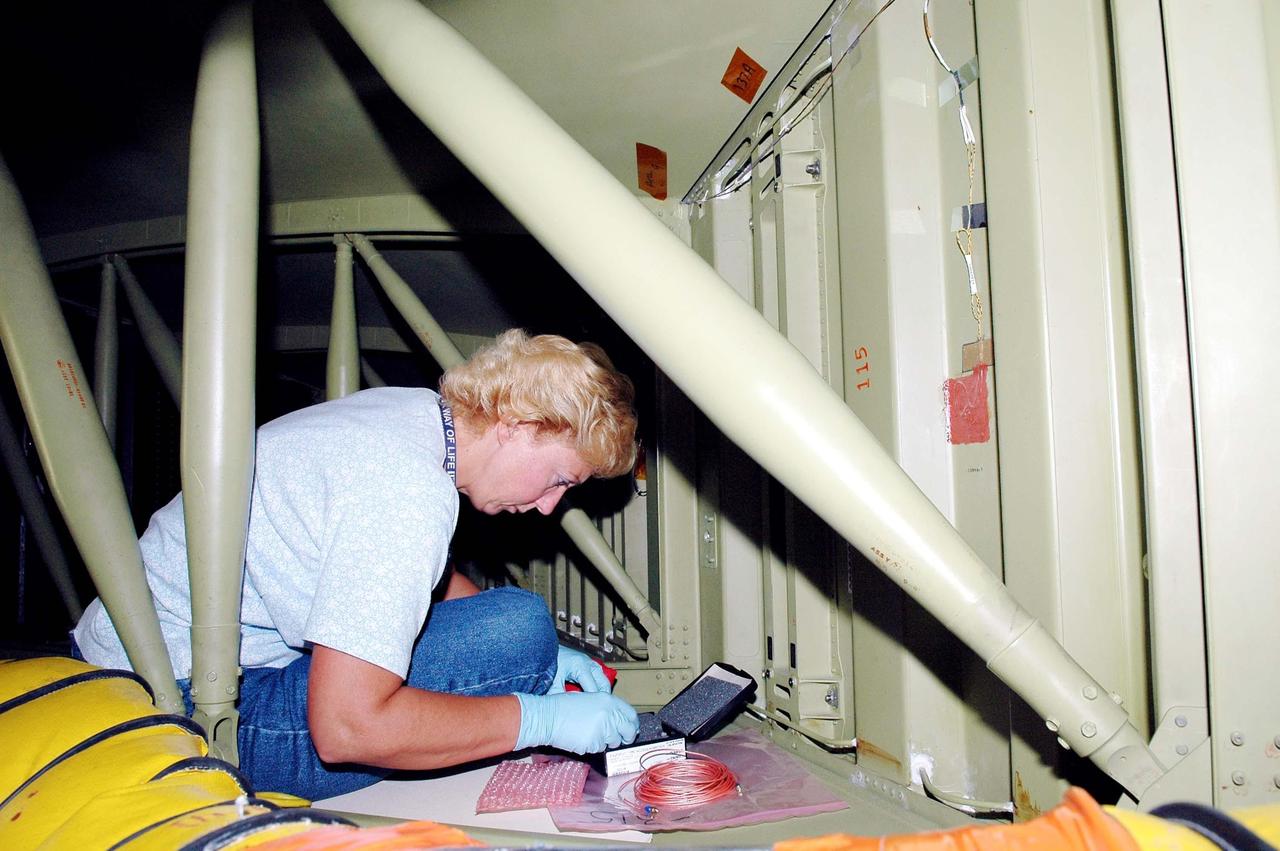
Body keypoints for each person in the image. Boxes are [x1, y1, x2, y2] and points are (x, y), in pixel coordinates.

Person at [72, 329, 641, 799]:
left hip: (119, 658)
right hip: (170, 712)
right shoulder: (406, 494)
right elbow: (345, 731)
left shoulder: (410, 417)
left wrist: (553, 655)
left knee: (518, 628)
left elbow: (419, 581)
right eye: (560, 479)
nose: (548, 506)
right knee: (519, 631)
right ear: (518, 426)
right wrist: (537, 721)